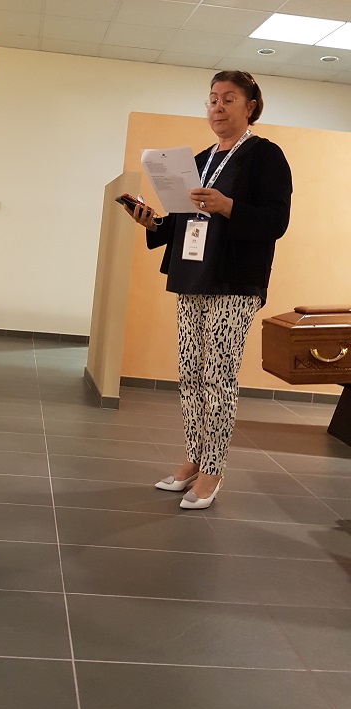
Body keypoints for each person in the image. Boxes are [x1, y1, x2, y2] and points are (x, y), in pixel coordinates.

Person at [123, 70, 292, 509]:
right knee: (191, 375)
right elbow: (184, 218)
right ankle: (195, 458)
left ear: (250, 106)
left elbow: (276, 221)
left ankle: (213, 470)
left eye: (228, 99)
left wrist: (228, 206)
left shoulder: (265, 155)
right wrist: (153, 223)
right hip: (194, 276)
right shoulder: (198, 160)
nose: (217, 107)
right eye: (212, 99)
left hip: (235, 282)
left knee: (218, 377)